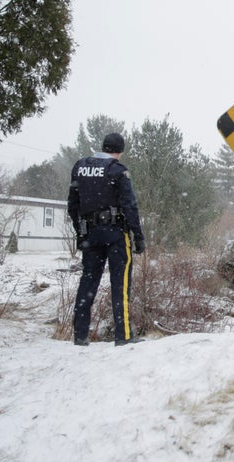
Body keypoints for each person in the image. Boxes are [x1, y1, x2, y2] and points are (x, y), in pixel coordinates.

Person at [67, 133, 146, 346]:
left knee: (88, 283)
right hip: (116, 234)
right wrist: (138, 237)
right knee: (120, 284)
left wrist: (81, 232)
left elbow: (72, 205)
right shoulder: (117, 170)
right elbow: (130, 207)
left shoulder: (80, 167)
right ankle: (124, 335)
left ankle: (80, 335)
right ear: (119, 151)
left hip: (90, 235)